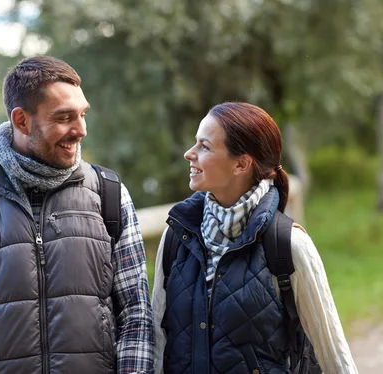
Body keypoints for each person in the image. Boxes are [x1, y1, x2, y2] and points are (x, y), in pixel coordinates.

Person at [0, 56, 155, 374]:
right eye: (64, 118)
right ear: (21, 121)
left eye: (83, 115)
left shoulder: (109, 194)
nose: (81, 130)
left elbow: (136, 316)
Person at [151, 102, 358, 373]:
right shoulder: (177, 236)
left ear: (241, 164)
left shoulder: (289, 245)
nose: (189, 154)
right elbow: (156, 339)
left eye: (204, 146)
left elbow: (334, 356)